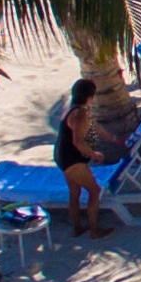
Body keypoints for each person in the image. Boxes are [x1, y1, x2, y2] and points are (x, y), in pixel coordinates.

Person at [55, 78, 111, 239]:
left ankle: (77, 228)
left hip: (62, 156)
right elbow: (78, 142)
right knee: (94, 190)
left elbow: (95, 128)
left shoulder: (72, 109)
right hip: (72, 159)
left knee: (75, 191)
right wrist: (94, 154)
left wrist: (114, 139)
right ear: (90, 97)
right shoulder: (80, 114)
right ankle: (94, 230)